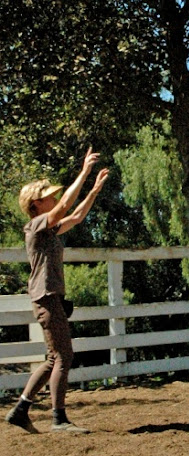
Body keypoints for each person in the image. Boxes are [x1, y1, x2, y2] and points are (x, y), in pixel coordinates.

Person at [5, 147, 109, 434]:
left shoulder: (48, 230)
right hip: (47, 297)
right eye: (48, 196)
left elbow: (74, 216)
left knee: (54, 358)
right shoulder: (36, 226)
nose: (53, 198)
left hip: (50, 297)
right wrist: (85, 172)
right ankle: (58, 420)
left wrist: (95, 190)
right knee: (64, 356)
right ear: (36, 204)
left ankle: (20, 410)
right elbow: (64, 205)